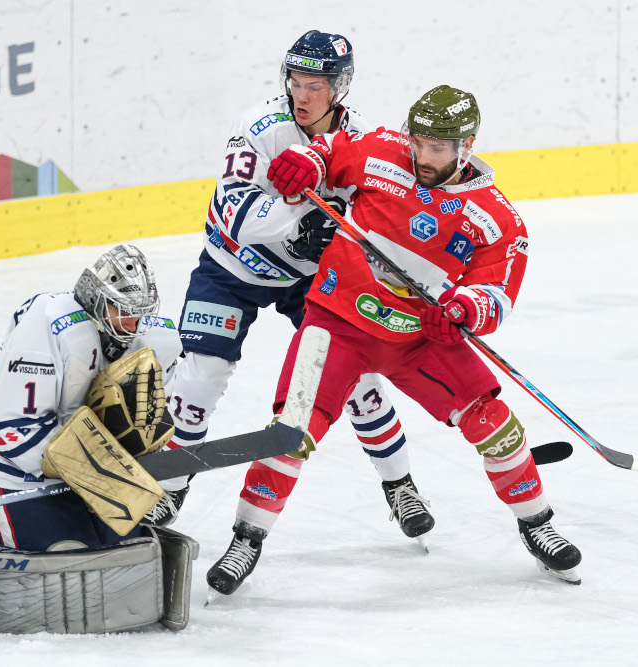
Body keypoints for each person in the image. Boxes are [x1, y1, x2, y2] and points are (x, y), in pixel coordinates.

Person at [206, 85, 583, 595]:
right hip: (338, 322)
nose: (423, 156)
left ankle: (537, 524)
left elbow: (497, 292)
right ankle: (246, 540)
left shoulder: (496, 219)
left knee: (496, 424)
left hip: (420, 338)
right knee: (291, 431)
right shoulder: (382, 151)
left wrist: (465, 309)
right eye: (418, 142)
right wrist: (303, 163)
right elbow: (327, 153)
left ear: (465, 145)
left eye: (437, 148)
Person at [148, 30, 435, 546]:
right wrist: (298, 226)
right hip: (231, 269)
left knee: (358, 383)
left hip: (308, 281)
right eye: (296, 82)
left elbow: (380, 215)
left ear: (340, 87)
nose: (302, 96)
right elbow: (233, 207)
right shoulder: (260, 125)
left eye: (316, 85)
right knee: (199, 379)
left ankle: (402, 484)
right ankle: (171, 483)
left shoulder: (364, 139)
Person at [0, 244, 200, 637]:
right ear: (97, 300)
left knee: (122, 559)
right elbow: (7, 425)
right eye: (121, 310)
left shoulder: (153, 340)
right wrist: (110, 482)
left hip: (86, 465)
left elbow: (153, 421)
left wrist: (147, 475)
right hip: (9, 470)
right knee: (67, 563)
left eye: (139, 312)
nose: (132, 322)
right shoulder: (47, 331)